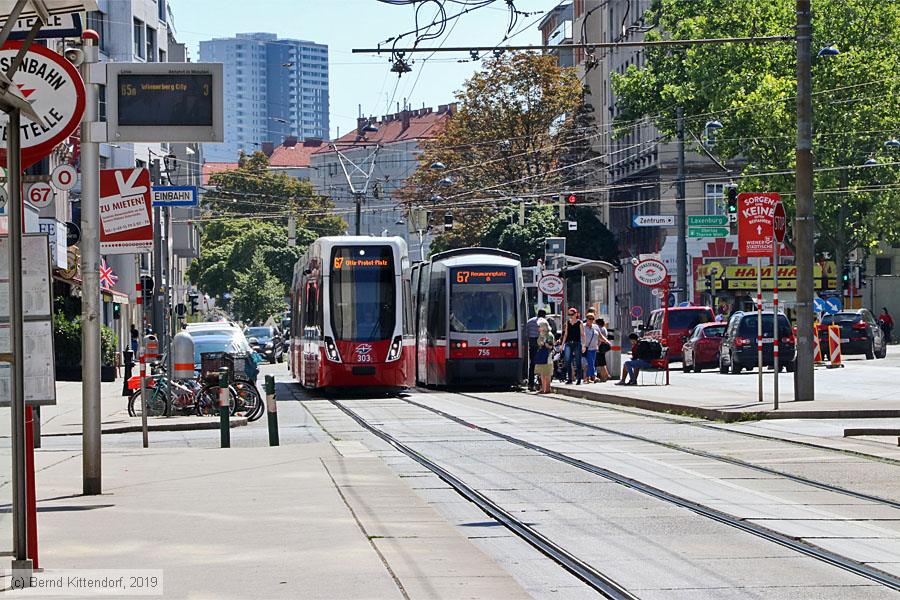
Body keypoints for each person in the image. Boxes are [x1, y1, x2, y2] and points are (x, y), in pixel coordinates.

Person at [525, 309, 549, 391]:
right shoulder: (544, 321)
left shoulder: (529, 321)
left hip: (532, 342)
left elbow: (526, 334)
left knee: (533, 363)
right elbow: (546, 333)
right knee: (542, 362)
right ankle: (541, 384)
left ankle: (531, 384)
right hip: (540, 342)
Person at [560, 308, 585, 385]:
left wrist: (584, 345)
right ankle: (570, 379)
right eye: (569, 315)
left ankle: (579, 379)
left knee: (578, 361)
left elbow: (582, 334)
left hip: (577, 343)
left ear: (576, 314)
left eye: (572, 314)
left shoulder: (579, 322)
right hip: (568, 343)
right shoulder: (568, 322)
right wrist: (562, 345)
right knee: (567, 360)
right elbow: (566, 334)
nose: (571, 316)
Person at [534, 320, 555, 394]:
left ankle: (547, 388)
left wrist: (544, 343)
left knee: (547, 372)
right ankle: (543, 388)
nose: (538, 328)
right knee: (542, 372)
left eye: (540, 326)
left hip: (548, 355)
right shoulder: (541, 334)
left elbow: (551, 345)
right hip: (542, 354)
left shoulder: (549, 335)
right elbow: (539, 343)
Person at [583, 314, 602, 383]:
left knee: (591, 363)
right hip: (586, 348)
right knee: (590, 362)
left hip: (594, 348)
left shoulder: (596, 327)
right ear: (587, 319)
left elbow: (600, 336)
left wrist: (606, 341)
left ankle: (587, 378)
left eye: (592, 319)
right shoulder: (583, 326)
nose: (591, 320)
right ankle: (594, 376)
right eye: (589, 319)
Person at [595, 317, 612, 382]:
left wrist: (598, 348)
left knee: (601, 363)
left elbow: (600, 340)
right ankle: (606, 375)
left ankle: (604, 376)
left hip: (600, 347)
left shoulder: (600, 329)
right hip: (603, 347)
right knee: (602, 362)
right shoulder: (604, 328)